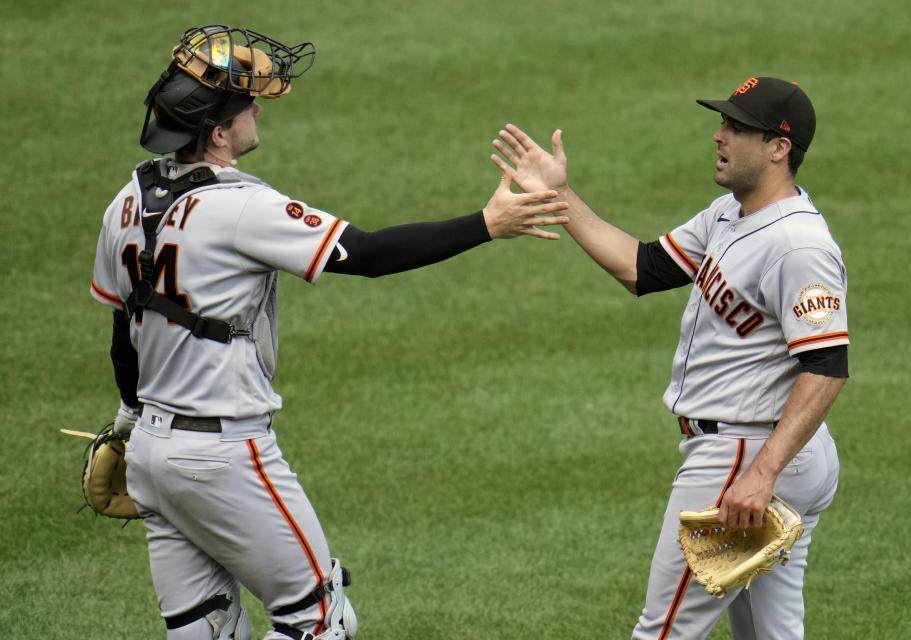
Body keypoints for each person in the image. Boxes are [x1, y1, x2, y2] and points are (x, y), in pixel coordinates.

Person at [90, 25, 568, 640]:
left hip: (153, 455)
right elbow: (363, 253)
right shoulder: (241, 206)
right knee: (319, 617)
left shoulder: (125, 202)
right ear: (217, 133)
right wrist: (487, 222)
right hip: (223, 455)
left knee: (201, 629)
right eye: (246, 105)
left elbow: (119, 329)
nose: (258, 108)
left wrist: (130, 420)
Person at [491, 77, 848, 639]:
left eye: (736, 126)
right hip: (761, 452)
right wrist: (560, 195)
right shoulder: (729, 214)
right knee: (769, 633)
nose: (718, 134)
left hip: (746, 455)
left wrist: (761, 474)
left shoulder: (798, 247)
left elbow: (827, 368)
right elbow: (643, 268)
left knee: (664, 631)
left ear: (779, 147)